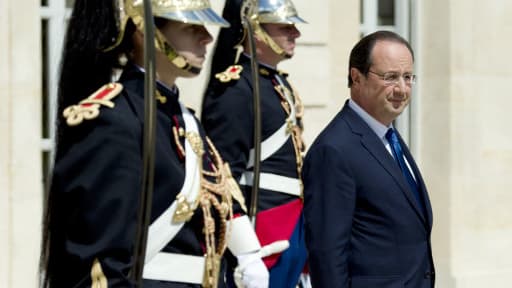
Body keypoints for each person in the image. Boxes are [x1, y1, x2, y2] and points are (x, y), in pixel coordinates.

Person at [39, 0, 269, 287]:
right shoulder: (112, 121)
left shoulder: (183, 118)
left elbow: (220, 190)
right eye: (190, 27)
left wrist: (248, 254)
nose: (207, 37)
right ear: (144, 31)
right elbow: (99, 264)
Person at [302, 30, 435, 288]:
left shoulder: (389, 137)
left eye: (408, 77)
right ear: (356, 77)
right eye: (390, 77)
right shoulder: (334, 150)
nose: (402, 89)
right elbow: (327, 256)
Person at [201, 0, 309, 287]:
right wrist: (245, 251)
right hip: (262, 235)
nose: (295, 33)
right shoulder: (235, 89)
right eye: (284, 27)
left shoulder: (278, 85)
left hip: (290, 230)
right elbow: (223, 177)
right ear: (255, 30)